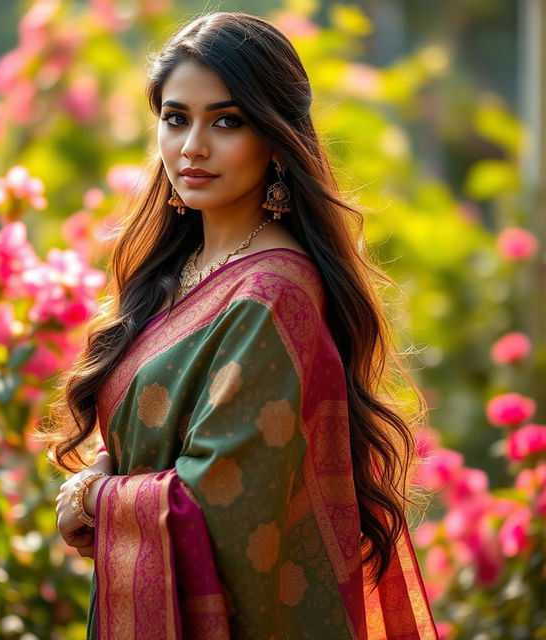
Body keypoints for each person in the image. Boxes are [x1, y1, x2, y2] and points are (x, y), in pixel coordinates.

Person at [43, 10, 439, 640]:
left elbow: (219, 498)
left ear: (277, 140)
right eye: (177, 119)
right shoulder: (181, 270)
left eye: (226, 122)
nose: (192, 146)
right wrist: (99, 473)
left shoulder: (274, 293)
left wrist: (96, 500)